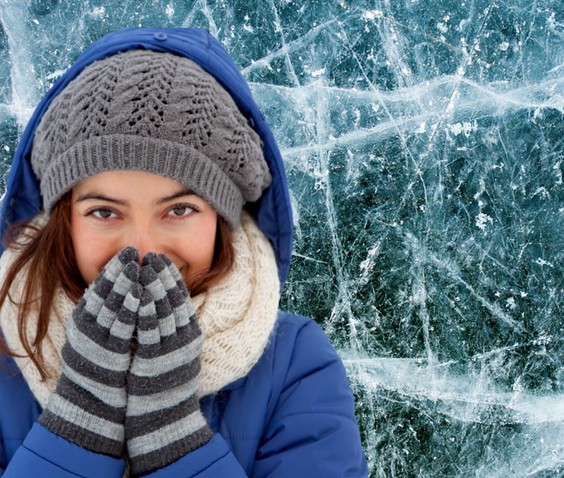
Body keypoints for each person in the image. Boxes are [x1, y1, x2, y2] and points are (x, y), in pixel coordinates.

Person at [0, 27, 368, 477]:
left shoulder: (295, 363)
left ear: (222, 217)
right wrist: (79, 426)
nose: (141, 248)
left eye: (178, 209)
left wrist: (174, 443)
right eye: (104, 212)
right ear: (64, 221)